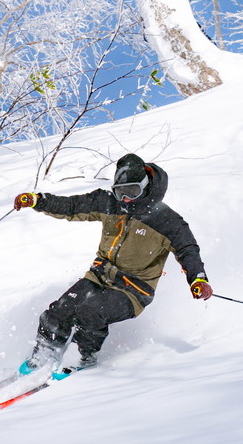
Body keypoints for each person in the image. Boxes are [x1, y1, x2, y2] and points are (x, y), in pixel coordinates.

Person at [13, 153, 213, 375]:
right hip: (99, 276)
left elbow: (188, 250)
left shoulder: (166, 220)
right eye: (120, 192)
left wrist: (198, 278)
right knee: (59, 310)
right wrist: (38, 201)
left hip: (134, 289)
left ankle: (83, 357)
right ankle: (46, 352)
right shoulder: (108, 203)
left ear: (145, 186)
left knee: (90, 311)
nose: (125, 199)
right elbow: (71, 206)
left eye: (132, 192)